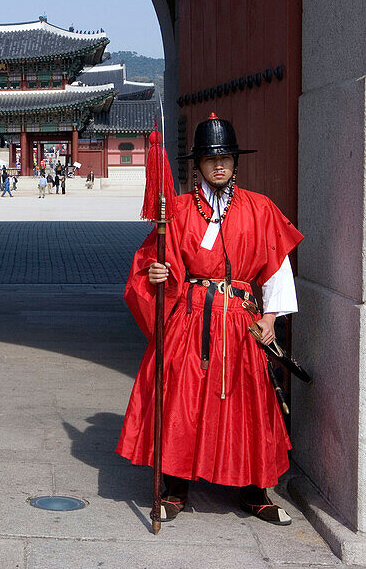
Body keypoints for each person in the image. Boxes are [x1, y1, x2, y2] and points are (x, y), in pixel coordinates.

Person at [117, 113, 303, 527]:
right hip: (193, 318)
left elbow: (277, 268)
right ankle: (176, 487)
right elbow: (150, 264)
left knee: (248, 404)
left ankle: (255, 492)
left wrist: (270, 316)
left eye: (226, 157)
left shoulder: (260, 209)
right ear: (197, 164)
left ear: (236, 162)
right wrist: (158, 275)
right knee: (184, 402)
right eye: (210, 158)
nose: (219, 165)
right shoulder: (180, 211)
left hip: (240, 320)